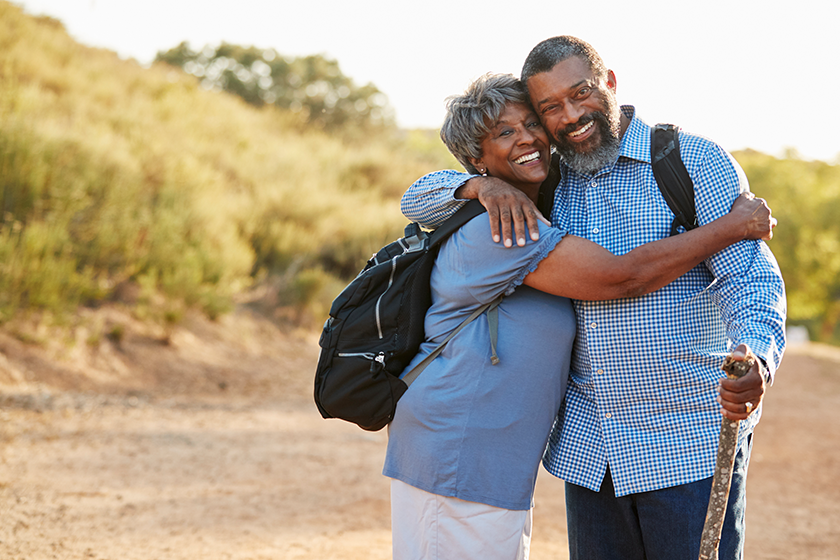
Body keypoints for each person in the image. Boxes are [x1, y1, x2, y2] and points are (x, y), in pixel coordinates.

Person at [385, 72, 776, 560]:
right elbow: (620, 278)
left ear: (608, 82)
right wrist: (730, 227)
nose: (530, 136)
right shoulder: (502, 227)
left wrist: (757, 351)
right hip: (465, 450)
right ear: (474, 160)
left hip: (635, 448)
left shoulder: (565, 186)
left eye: (531, 122)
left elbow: (752, 281)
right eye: (505, 132)